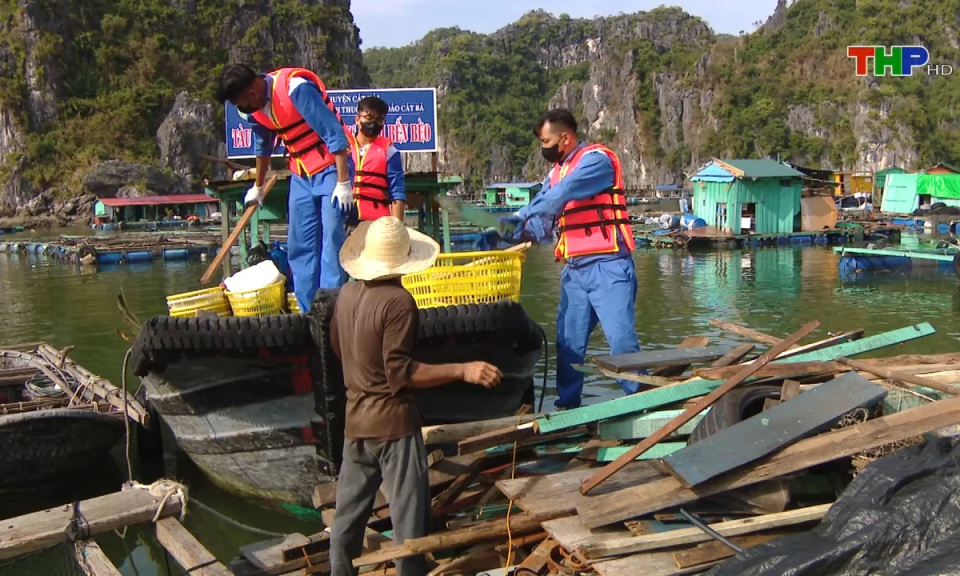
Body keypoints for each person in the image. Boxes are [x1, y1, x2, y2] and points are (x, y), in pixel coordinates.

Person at [328, 216, 503, 576]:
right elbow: (400, 372)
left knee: (347, 518)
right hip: (392, 426)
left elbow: (336, 346)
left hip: (355, 421)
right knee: (409, 524)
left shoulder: (345, 295)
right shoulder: (398, 302)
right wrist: (462, 369)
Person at [504, 108, 640, 410]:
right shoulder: (555, 174)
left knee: (620, 341)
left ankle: (639, 402)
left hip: (608, 266)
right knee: (568, 344)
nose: (544, 147)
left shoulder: (597, 160)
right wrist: (508, 233)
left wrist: (520, 214)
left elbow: (565, 192)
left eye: (547, 140)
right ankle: (569, 407)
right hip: (575, 271)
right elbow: (541, 221)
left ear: (565, 138)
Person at [215, 64, 354, 312]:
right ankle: (307, 312)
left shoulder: (295, 88)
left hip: (332, 167)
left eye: (241, 103)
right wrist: (258, 187)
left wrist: (343, 183)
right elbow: (262, 147)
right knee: (301, 243)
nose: (242, 110)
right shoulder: (252, 111)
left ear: (252, 93)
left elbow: (333, 133)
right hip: (300, 173)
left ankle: (331, 311)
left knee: (332, 236)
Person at [347, 96, 407, 232]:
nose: (373, 123)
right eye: (368, 118)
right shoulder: (343, 147)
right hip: (342, 219)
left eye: (379, 119)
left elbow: (397, 191)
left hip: (376, 223)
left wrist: (396, 229)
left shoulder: (389, 151)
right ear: (357, 119)